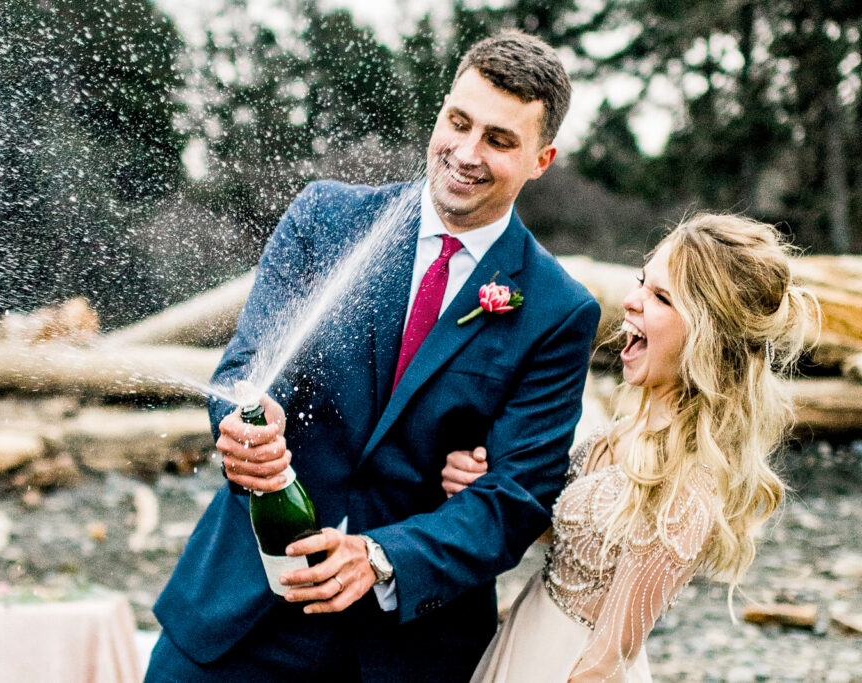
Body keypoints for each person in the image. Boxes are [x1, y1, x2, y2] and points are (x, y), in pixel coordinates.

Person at [145, 30, 601, 682]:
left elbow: (516, 496)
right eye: (458, 122)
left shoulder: (558, 309)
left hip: (402, 647)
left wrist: (382, 556)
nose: (465, 153)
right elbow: (245, 364)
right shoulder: (324, 219)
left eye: (499, 140)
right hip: (237, 618)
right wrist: (244, 422)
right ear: (441, 111)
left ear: (541, 159)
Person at [443, 213, 813, 681]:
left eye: (660, 297)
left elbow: (610, 656)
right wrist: (486, 485)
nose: (630, 301)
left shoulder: (686, 484)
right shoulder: (626, 429)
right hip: (530, 634)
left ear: (707, 337)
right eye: (642, 282)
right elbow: (575, 541)